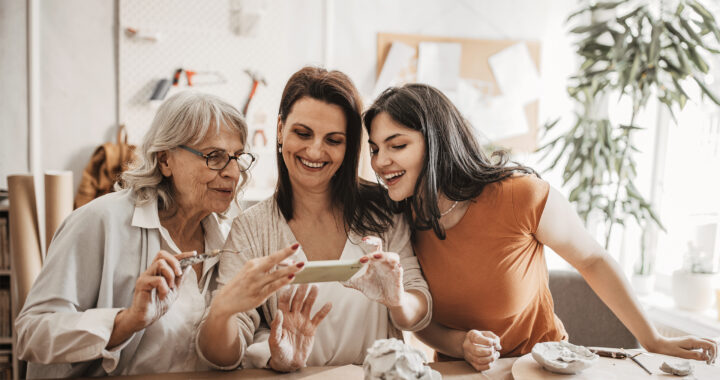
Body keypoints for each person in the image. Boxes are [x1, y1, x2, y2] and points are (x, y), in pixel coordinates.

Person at [363, 83, 718, 372]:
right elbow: (418, 314)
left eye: (398, 145)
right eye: (375, 149)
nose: (380, 162)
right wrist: (461, 345)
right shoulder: (401, 218)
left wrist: (653, 339)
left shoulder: (520, 195)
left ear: (437, 141)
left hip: (541, 368)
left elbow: (592, 259)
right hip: (461, 372)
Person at [15, 92, 304, 378]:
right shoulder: (100, 222)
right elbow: (32, 333)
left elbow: (238, 330)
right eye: (214, 157)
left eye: (237, 157)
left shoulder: (229, 239)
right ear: (165, 160)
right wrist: (126, 322)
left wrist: (271, 353)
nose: (232, 172)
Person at [197, 67, 432, 371]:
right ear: (280, 129)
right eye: (302, 133)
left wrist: (398, 299)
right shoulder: (251, 229)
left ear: (349, 146)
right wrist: (223, 314)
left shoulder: (384, 211)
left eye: (333, 140)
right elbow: (221, 356)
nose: (315, 150)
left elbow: (420, 305)